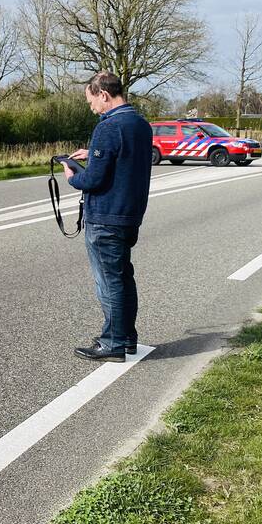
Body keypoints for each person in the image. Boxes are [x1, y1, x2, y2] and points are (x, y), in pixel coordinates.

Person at [61, 71, 153, 362]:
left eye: (92, 101)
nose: (91, 108)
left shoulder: (108, 126)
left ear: (104, 94)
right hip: (130, 214)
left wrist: (73, 177)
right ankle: (126, 338)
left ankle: (112, 342)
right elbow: (124, 158)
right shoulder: (141, 124)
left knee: (108, 281)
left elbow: (94, 180)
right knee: (124, 277)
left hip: (106, 216)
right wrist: (94, 153)